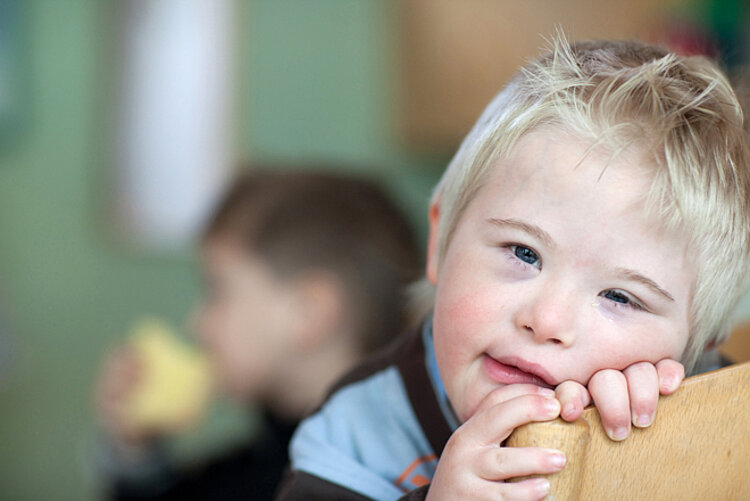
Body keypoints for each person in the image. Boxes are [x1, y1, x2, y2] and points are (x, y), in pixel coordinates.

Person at [277, 36, 750, 500]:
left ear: (698, 343)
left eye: (620, 297)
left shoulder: (722, 426)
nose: (547, 322)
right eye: (524, 253)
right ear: (440, 242)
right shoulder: (356, 436)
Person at [94, 168, 422, 501]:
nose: (197, 324)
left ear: (307, 313)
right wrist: (136, 452)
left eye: (218, 290)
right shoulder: (256, 465)